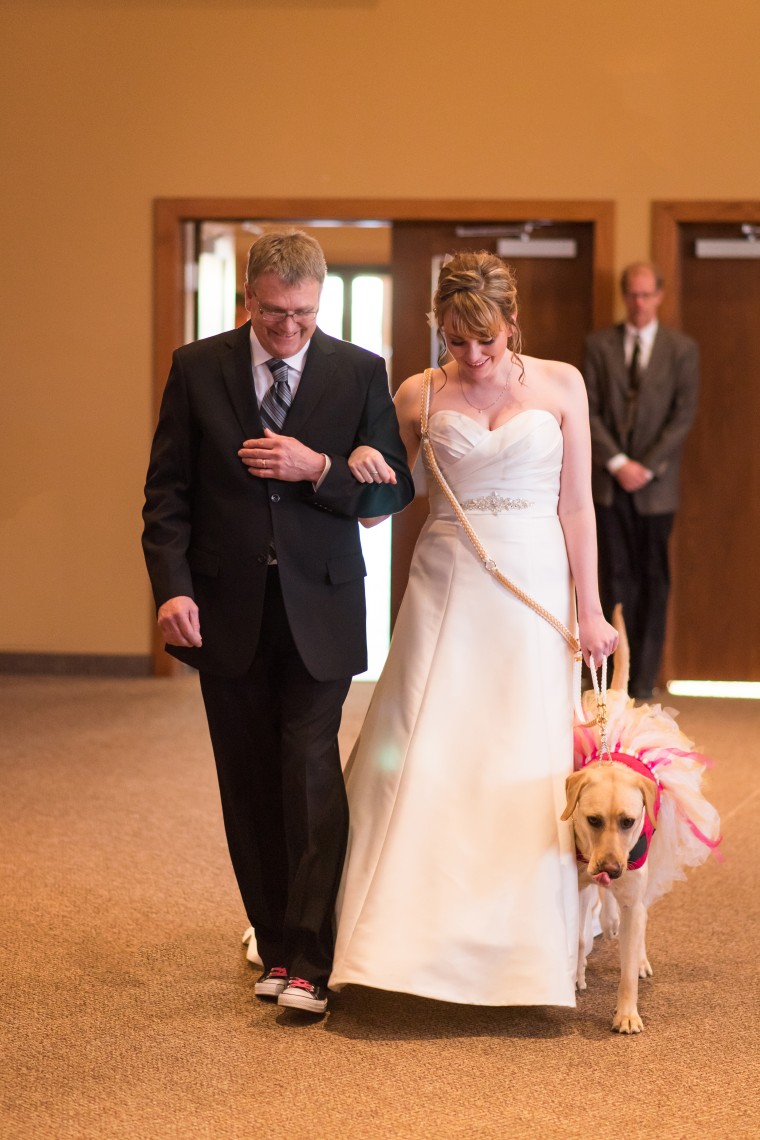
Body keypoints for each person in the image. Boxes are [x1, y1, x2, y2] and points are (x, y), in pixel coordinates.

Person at [328, 251, 618, 1006]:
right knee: (425, 743)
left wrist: (590, 607)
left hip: (532, 583)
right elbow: (399, 492)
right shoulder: (419, 391)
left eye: (486, 340)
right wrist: (358, 464)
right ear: (440, 332)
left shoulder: (561, 384)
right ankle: (388, 935)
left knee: (520, 750)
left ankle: (525, 942)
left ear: (511, 325)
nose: (474, 356)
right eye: (457, 341)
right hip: (447, 576)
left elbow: (577, 505)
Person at [142, 230, 414, 1016]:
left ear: (318, 301)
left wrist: (321, 468)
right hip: (224, 609)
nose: (288, 328)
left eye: (301, 313)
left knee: (307, 769)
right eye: (273, 314)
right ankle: (273, 938)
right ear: (248, 299)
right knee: (247, 779)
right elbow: (167, 494)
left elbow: (389, 491)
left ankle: (311, 957)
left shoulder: (358, 372)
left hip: (322, 607)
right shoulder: (197, 368)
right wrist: (171, 586)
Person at [582, 262, 699, 700]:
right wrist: (617, 462)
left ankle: (645, 681)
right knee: (612, 577)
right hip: (609, 486)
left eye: (647, 294)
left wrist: (644, 466)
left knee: (653, 580)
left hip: (657, 490)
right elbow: (586, 409)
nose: (639, 302)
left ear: (659, 296)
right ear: (624, 295)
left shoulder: (681, 349)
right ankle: (608, 680)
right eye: (632, 294)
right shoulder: (598, 345)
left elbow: (682, 416)